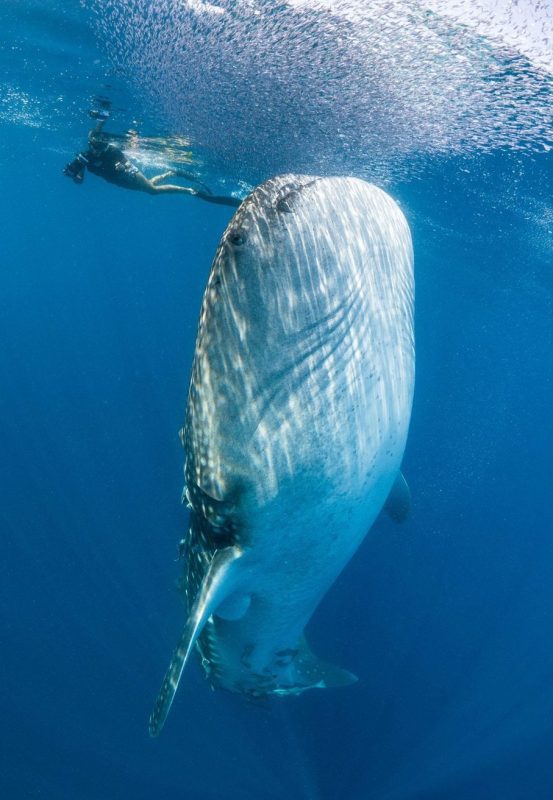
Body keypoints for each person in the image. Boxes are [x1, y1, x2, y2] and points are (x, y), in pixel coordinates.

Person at [63, 111, 240, 206]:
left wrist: (121, 166)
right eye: (96, 146)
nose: (99, 150)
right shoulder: (84, 157)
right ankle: (170, 173)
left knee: (153, 191)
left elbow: (124, 161)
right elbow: (79, 181)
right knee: (147, 187)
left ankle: (191, 192)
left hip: (128, 173)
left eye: (102, 146)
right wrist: (75, 173)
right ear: (91, 145)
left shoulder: (112, 151)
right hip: (114, 180)